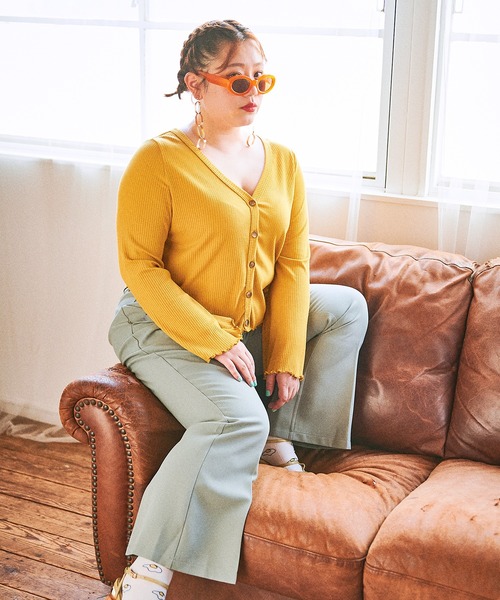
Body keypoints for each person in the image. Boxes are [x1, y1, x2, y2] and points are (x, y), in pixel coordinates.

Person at [106, 19, 368, 599]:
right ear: (197, 85)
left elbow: (293, 264)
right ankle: (146, 574)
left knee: (345, 307)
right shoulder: (159, 160)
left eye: (260, 79)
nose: (253, 92)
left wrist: (287, 356)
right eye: (236, 80)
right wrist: (214, 339)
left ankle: (278, 436)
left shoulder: (284, 162)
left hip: (243, 322)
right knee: (235, 420)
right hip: (160, 322)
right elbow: (140, 268)